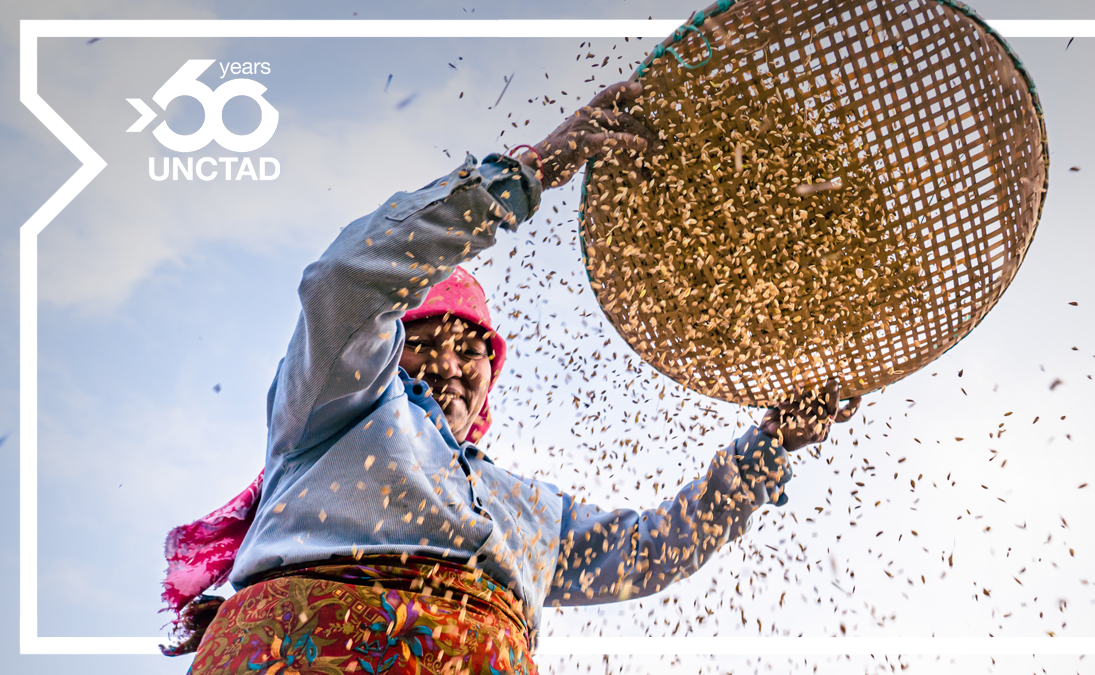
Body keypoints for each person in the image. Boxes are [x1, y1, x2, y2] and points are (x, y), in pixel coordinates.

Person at [162, 81, 861, 675]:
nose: (448, 364)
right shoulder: (338, 410)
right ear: (382, 348)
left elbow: (651, 548)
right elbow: (348, 279)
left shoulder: (524, 509)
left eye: (471, 350)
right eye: (424, 341)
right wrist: (532, 171)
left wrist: (771, 443)